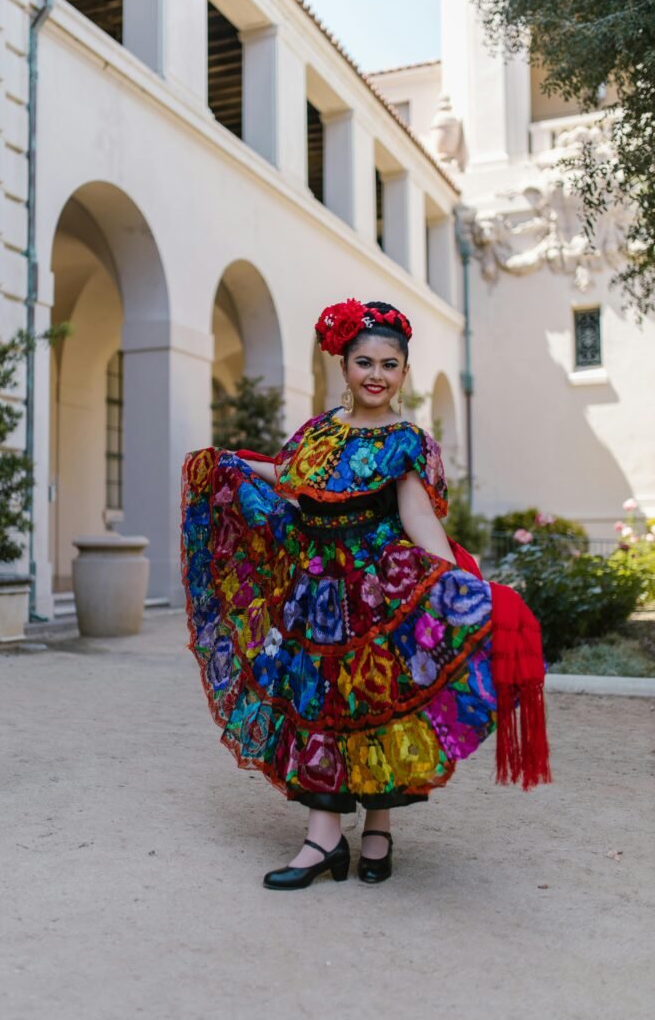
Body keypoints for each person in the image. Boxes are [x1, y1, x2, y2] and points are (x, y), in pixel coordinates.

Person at [181, 298, 550, 891]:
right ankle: (323, 838)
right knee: (319, 709)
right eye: (363, 362)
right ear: (345, 367)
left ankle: (378, 827)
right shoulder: (319, 432)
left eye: (388, 363)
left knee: (377, 705)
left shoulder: (407, 442)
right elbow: (290, 477)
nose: (375, 374)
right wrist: (230, 465)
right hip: (314, 596)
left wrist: (468, 588)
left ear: (403, 372)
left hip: (379, 595)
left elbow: (421, 522)